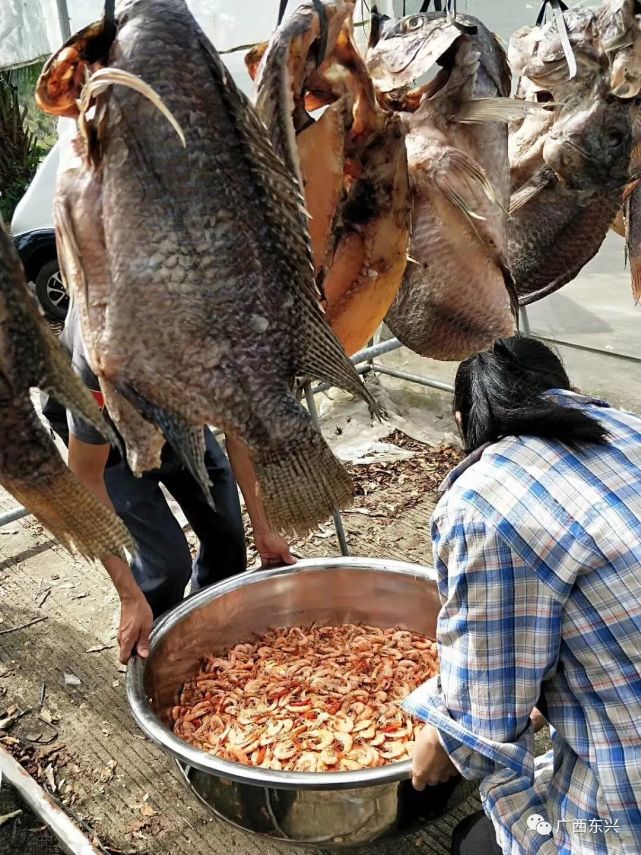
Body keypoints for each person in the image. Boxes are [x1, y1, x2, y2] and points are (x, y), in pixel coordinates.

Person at [405, 336, 641, 854]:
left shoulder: (484, 503)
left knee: (483, 841)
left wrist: (442, 737)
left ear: (462, 422)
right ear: (566, 392)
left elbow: (483, 717)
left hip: (628, 804)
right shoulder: (630, 428)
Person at [43, 302, 295, 664]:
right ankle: (156, 639)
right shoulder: (99, 358)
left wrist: (264, 529)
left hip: (174, 407)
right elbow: (86, 479)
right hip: (106, 428)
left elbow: (241, 436)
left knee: (226, 536)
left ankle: (211, 632)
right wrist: (129, 596)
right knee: (165, 564)